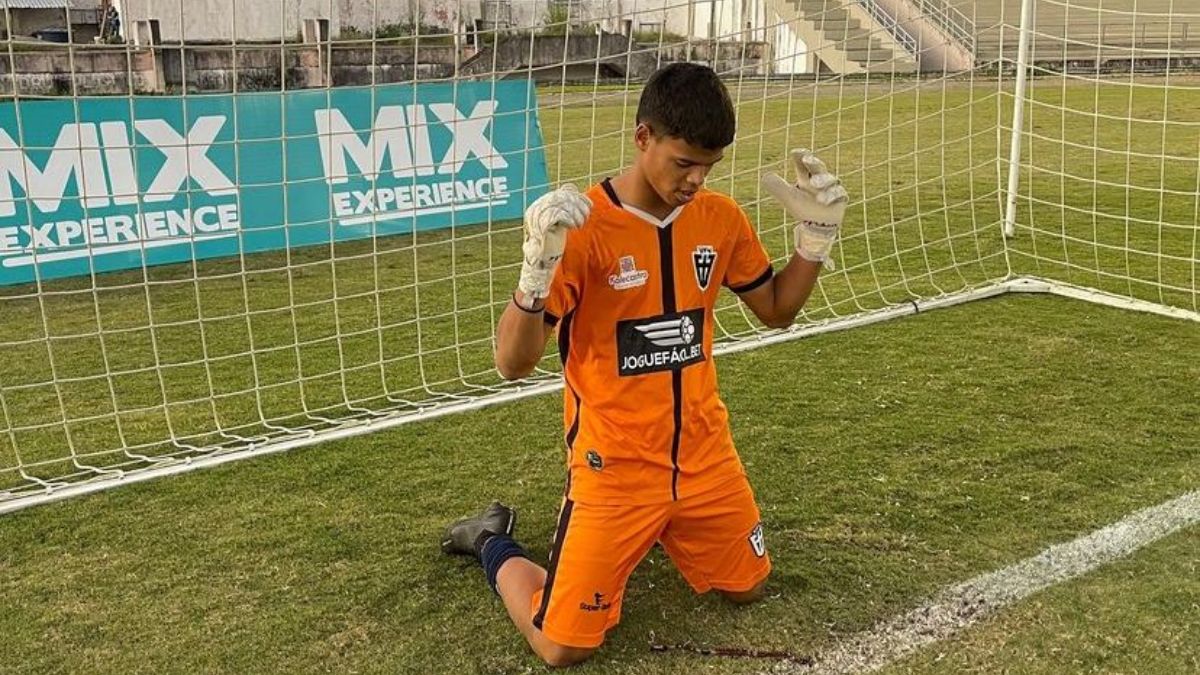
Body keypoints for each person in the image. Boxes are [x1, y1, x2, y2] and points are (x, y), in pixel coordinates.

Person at [440, 62, 848, 667]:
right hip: (616, 468)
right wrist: (535, 276)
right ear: (642, 138)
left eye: (709, 165)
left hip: (705, 457)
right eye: (683, 162)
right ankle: (492, 540)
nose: (695, 179)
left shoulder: (720, 219)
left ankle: (662, 529)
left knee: (748, 587)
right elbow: (511, 362)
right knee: (561, 647)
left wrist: (813, 240)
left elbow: (777, 310)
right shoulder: (580, 228)